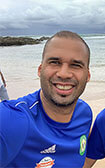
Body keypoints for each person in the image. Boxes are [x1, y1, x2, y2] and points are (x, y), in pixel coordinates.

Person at [0, 31, 92, 167]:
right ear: (40, 70)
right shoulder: (13, 120)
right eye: (55, 62)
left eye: (76, 65)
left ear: (88, 76)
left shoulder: (84, 113)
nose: (64, 74)